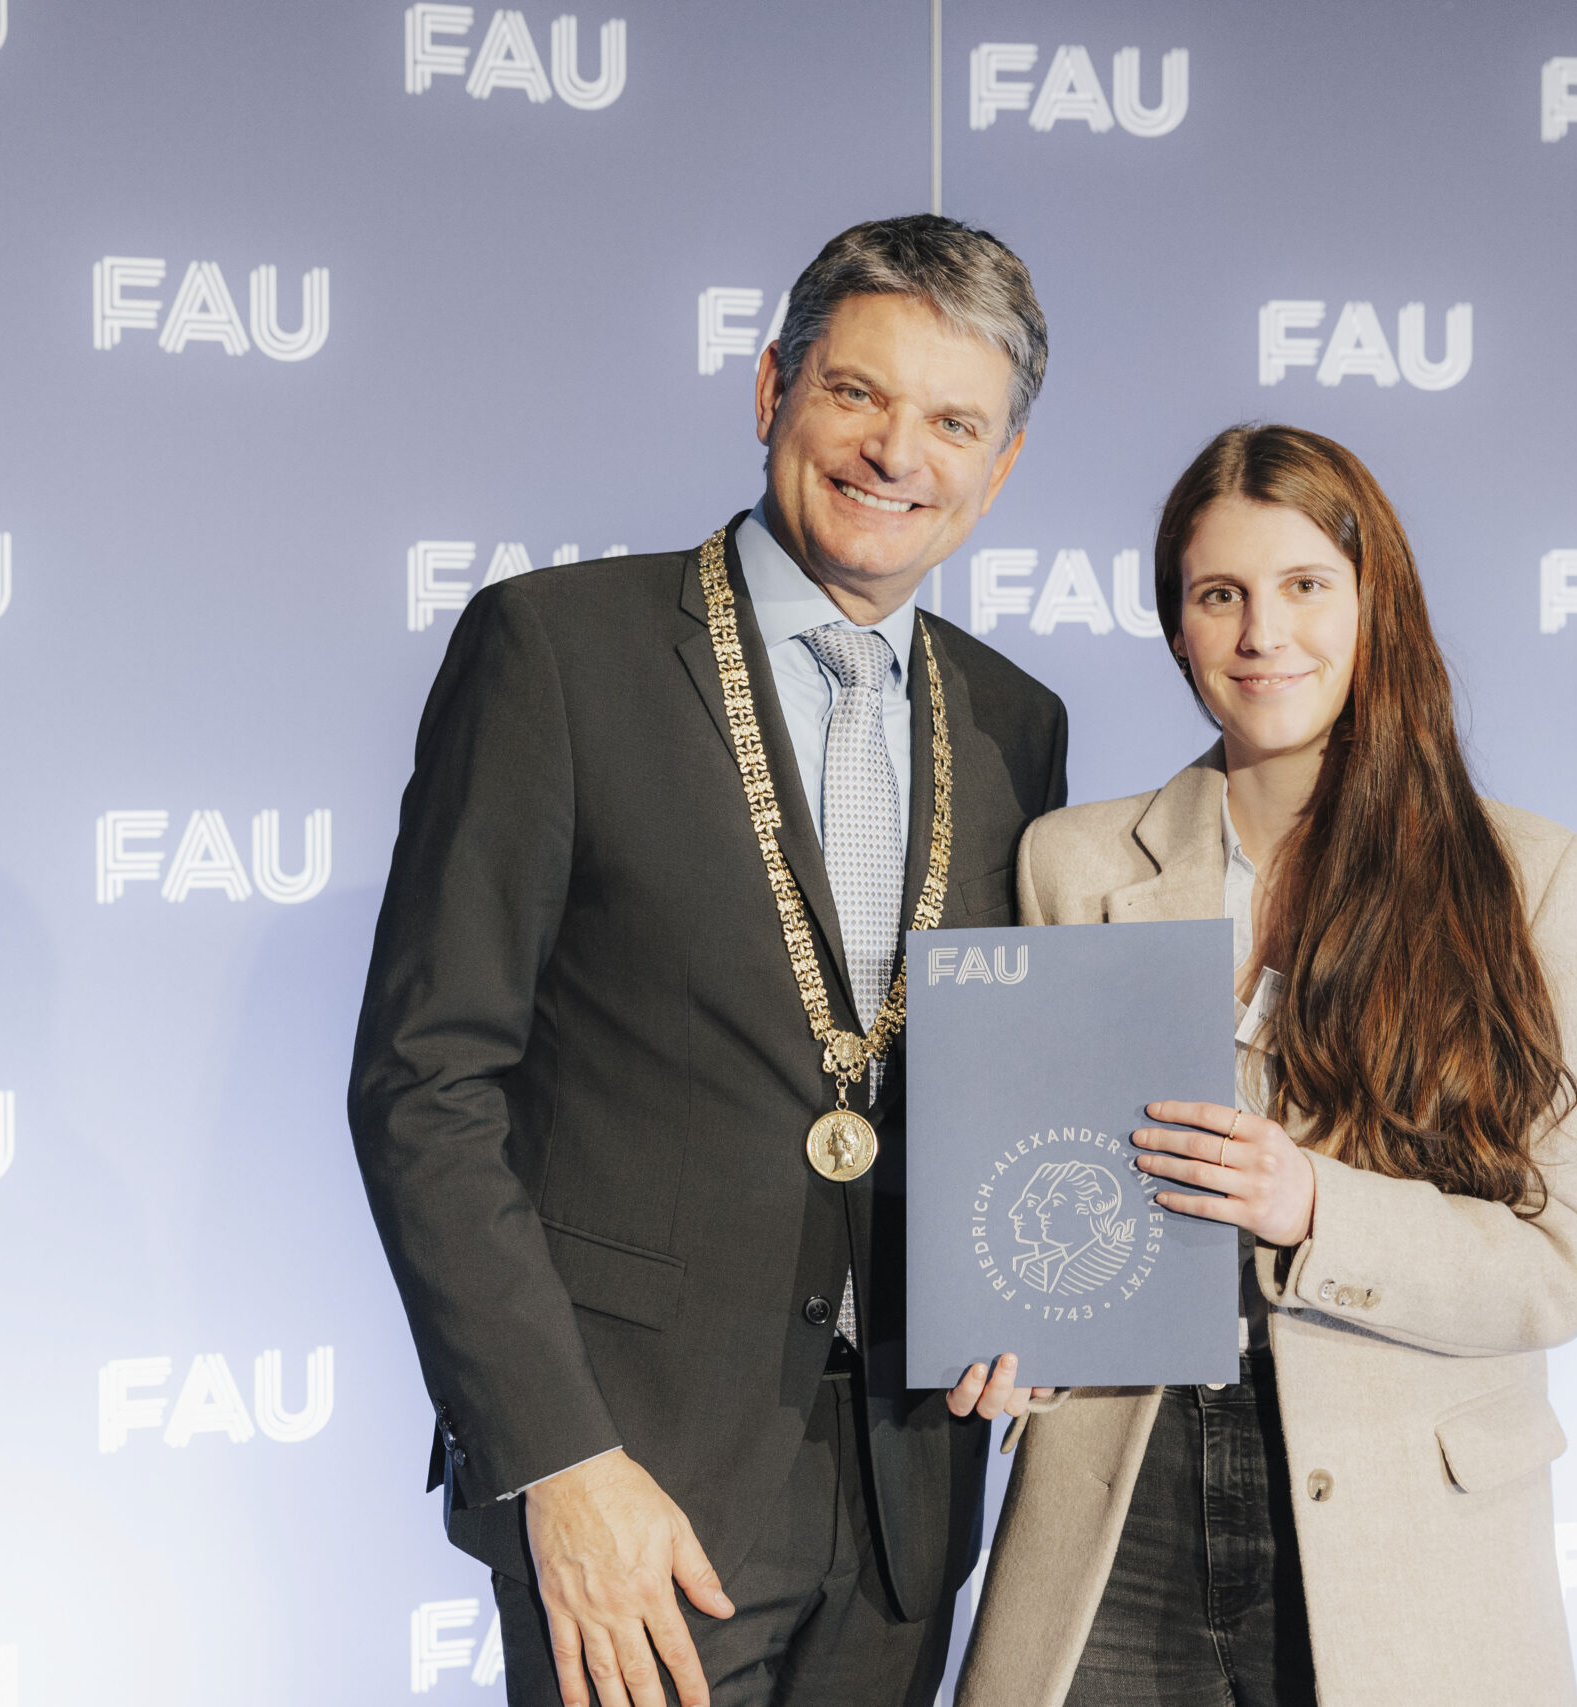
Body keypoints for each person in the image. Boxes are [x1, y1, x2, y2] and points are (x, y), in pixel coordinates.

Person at [348, 215, 1069, 1707]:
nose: (895, 453)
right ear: (771, 393)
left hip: (904, 1492)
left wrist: (1045, 1291)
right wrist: (558, 1454)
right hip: (633, 1484)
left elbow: (1005, 1080)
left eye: (953, 422)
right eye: (856, 393)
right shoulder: (558, 648)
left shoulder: (1017, 723)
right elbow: (426, 1083)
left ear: (998, 471)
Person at [948, 425, 1577, 1707]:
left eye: (1305, 585)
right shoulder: (1071, 864)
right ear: (1178, 629)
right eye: (1221, 596)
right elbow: (1034, 1196)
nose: (1264, 634)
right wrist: (1004, 1320)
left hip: (1405, 1532)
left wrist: (1314, 1205)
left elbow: (1563, 1258)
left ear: (1377, 604)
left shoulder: (1523, 878)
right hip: (1115, 1499)